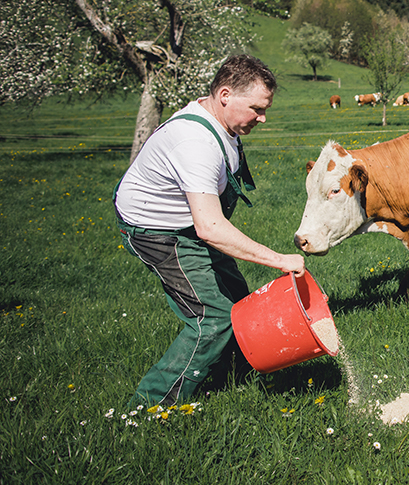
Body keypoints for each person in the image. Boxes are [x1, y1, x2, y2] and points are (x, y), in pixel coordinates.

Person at [114, 54, 305, 408]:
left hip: (190, 223)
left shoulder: (221, 123)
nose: (262, 118)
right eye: (256, 109)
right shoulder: (194, 142)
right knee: (213, 317)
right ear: (225, 95)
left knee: (238, 300)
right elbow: (210, 227)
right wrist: (280, 260)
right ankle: (149, 407)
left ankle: (231, 374)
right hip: (158, 232)